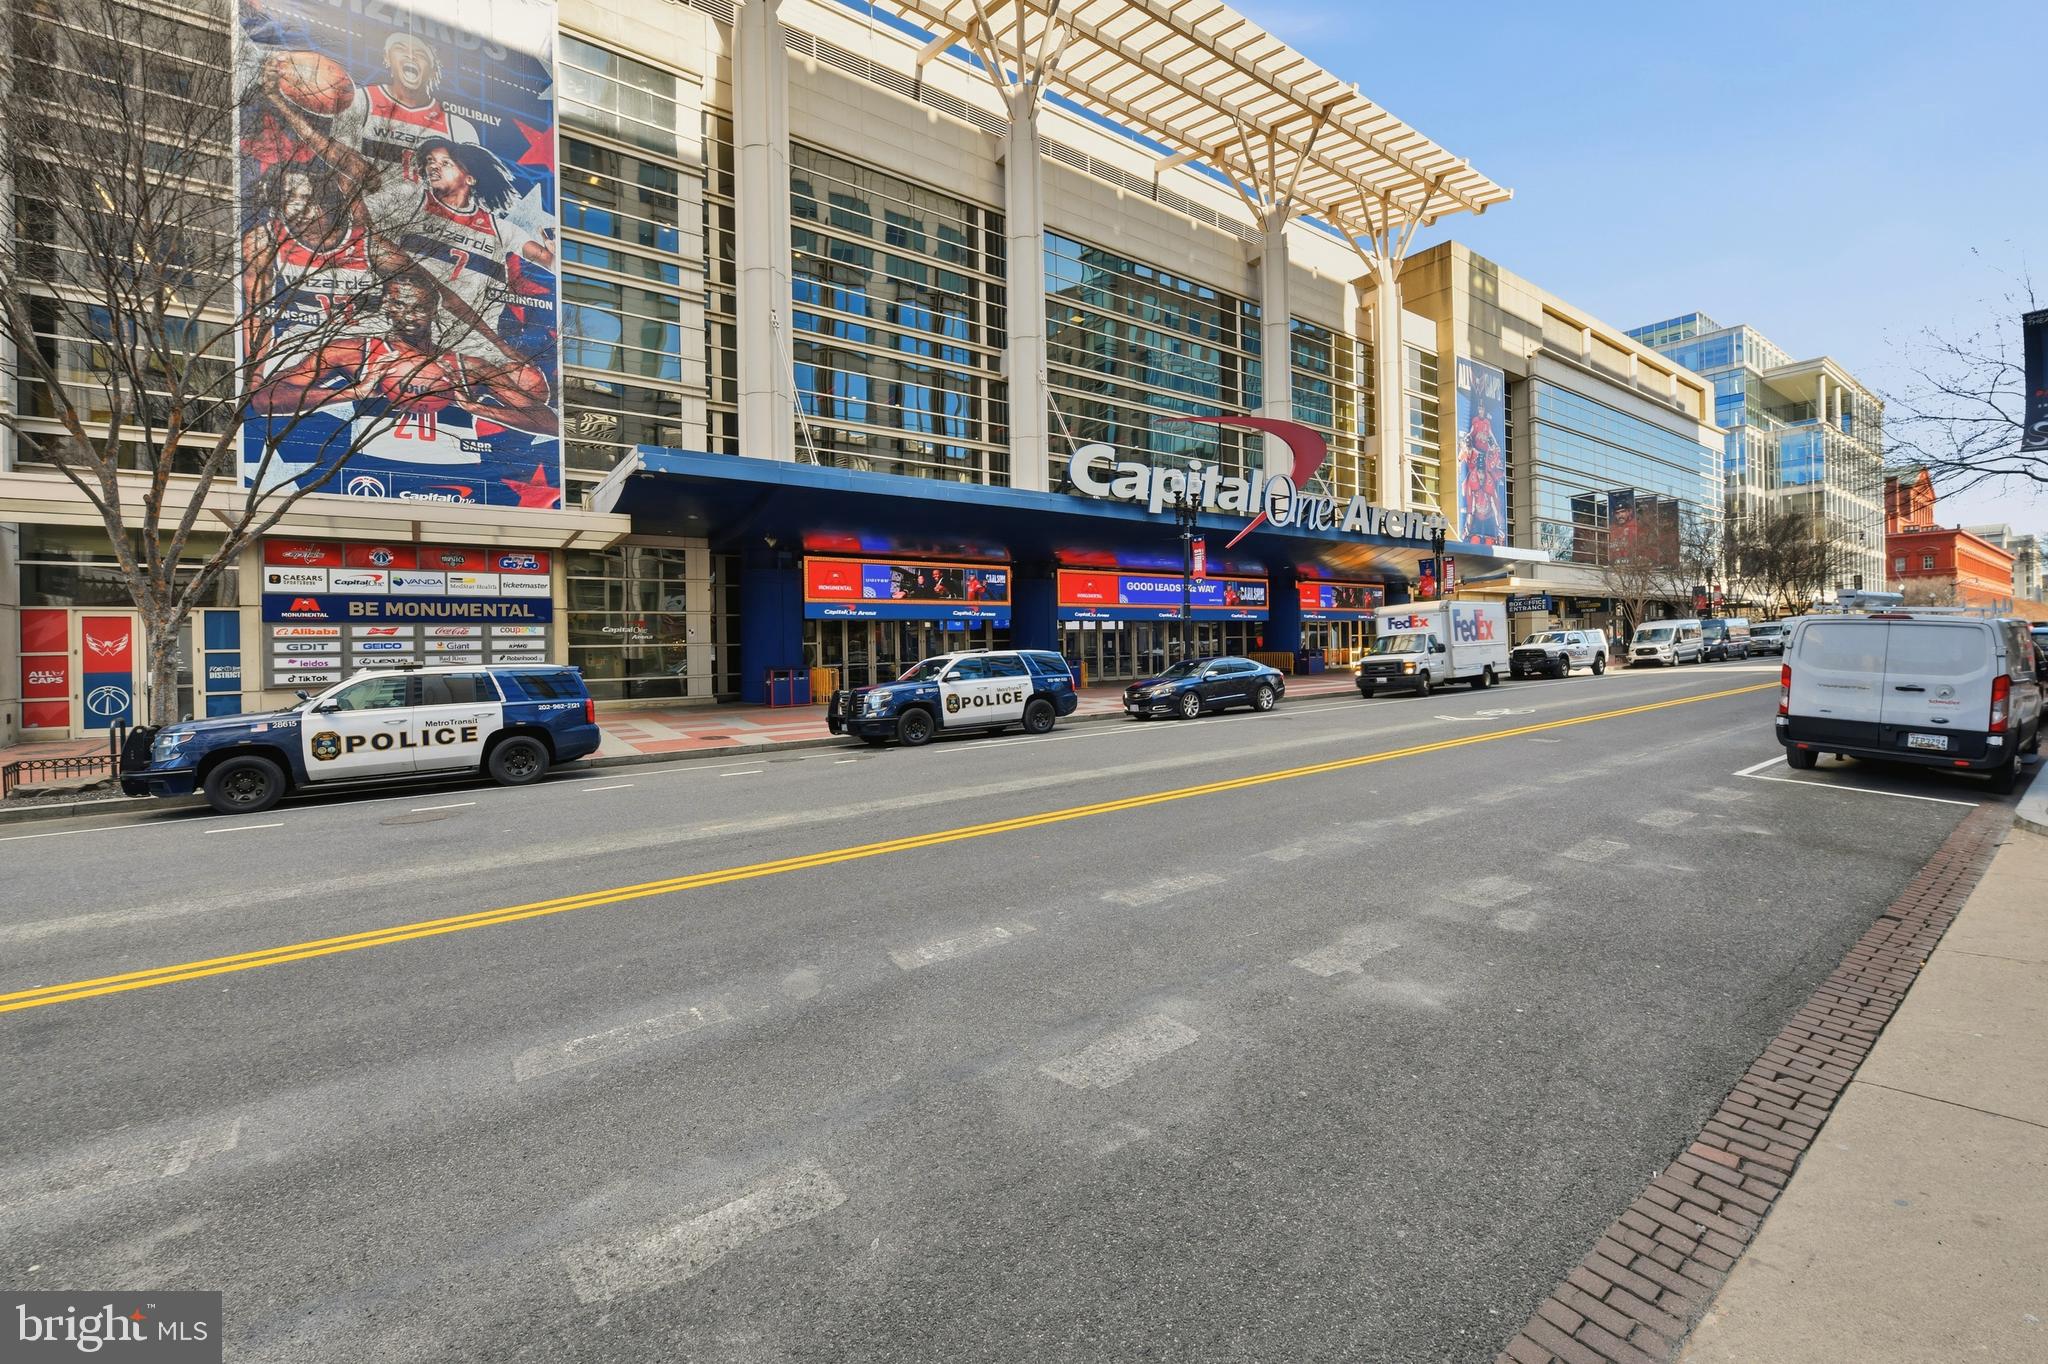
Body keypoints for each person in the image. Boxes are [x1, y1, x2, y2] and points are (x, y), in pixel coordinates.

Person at [253, 271, 557, 461]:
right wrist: (353, 392)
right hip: (368, 468)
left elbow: (547, 421)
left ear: (434, 311)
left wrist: (479, 409)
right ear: (386, 304)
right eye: (400, 304)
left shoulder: (466, 366)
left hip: (459, 478)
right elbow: (266, 398)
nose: (410, 315)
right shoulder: (353, 352)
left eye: (420, 308)